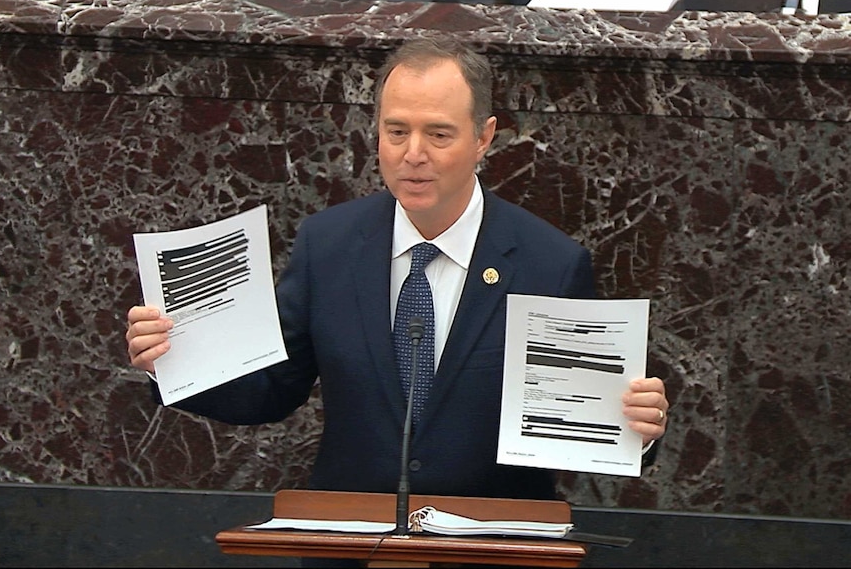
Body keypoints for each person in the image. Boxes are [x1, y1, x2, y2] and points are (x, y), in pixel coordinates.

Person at [126, 37, 668, 502]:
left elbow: (582, 424)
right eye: (396, 131)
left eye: (438, 134)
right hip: (350, 540)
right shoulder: (329, 244)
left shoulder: (550, 263)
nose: (413, 154)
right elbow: (271, 389)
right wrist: (172, 361)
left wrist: (635, 429)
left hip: (492, 546)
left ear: (484, 137)